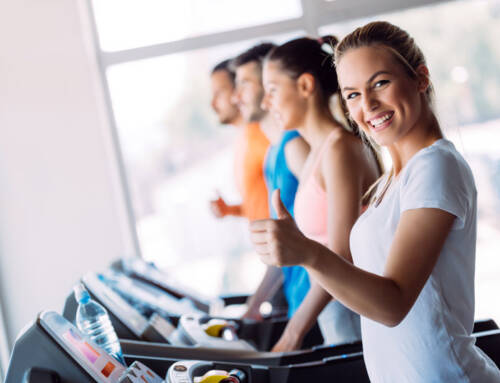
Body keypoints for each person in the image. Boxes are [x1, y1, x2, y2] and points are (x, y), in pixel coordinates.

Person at [250, 21, 500, 382]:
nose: (367, 105)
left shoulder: (436, 166)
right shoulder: (390, 182)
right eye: (352, 94)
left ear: (421, 78)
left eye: (380, 83)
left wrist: (308, 253)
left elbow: (393, 303)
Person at [257, 36, 382, 352]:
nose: (265, 103)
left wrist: (292, 334)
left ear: (305, 86)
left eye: (272, 90)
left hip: (356, 321)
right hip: (337, 323)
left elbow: (340, 254)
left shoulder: (339, 149)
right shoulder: (317, 152)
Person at [209, 44, 273, 221]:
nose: (213, 104)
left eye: (219, 93)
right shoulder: (243, 140)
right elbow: (260, 203)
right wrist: (230, 209)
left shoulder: (264, 135)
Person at [210, 59, 245, 129]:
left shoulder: (260, 137)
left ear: (238, 90)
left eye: (218, 93)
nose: (212, 104)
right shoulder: (245, 137)